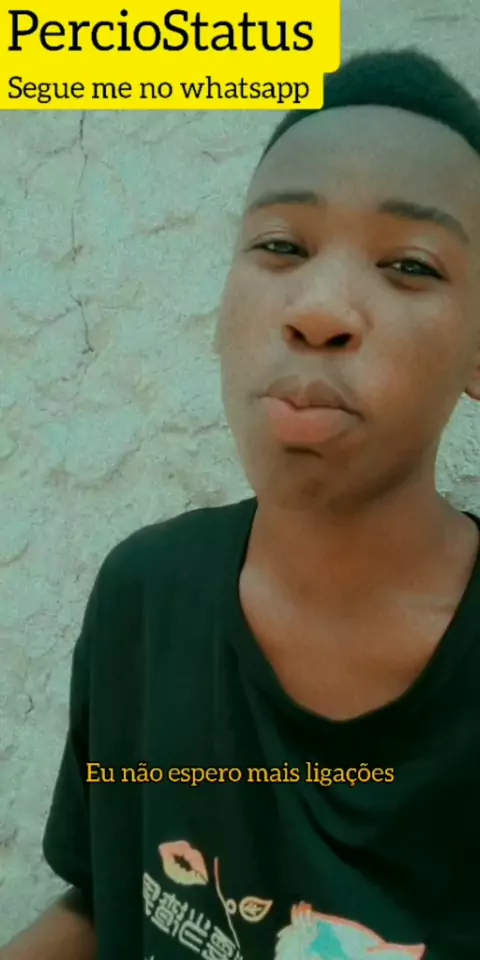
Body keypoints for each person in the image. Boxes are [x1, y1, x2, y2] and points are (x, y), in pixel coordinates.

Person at [2, 46, 480, 960]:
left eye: (410, 265)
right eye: (281, 247)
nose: (319, 309)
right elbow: (111, 902)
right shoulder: (146, 599)